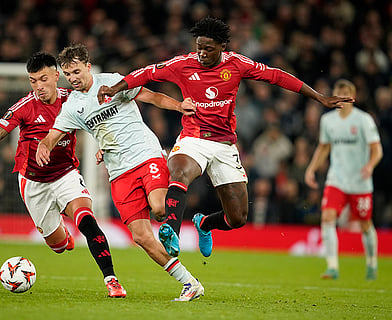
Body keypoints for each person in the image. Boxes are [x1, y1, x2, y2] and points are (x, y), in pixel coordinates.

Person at [97, 17, 354, 258]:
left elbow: (276, 76)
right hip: (193, 137)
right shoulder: (182, 64)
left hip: (224, 143)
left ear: (222, 46)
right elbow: (145, 73)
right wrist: (114, 88)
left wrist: (319, 97)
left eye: (208, 49)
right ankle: (171, 232)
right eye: (199, 48)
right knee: (180, 170)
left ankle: (204, 224)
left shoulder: (237, 64)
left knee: (238, 217)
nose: (202, 54)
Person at [36, 44, 204, 302]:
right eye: (68, 74)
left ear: (88, 66)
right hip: (118, 171)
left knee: (159, 207)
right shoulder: (72, 107)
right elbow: (53, 134)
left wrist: (179, 106)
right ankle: (190, 283)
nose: (73, 78)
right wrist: (43, 147)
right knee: (141, 237)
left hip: (146, 154)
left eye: (77, 71)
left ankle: (175, 228)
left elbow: (151, 97)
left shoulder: (113, 82)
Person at [0, 52, 126, 298]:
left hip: (66, 174)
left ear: (56, 76)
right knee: (59, 247)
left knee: (86, 219)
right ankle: (63, 235)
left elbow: (98, 123)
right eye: (33, 81)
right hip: (33, 183)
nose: (39, 86)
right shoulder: (25, 107)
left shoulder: (73, 99)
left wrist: (103, 146)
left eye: (43, 79)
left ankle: (112, 280)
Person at [305, 79, 383, 280]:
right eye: (339, 91)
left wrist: (369, 165)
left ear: (353, 95)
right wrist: (311, 169)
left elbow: (377, 150)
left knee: (365, 223)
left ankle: (372, 263)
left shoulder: (363, 120)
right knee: (327, 218)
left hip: (360, 182)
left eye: (346, 92)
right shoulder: (328, 121)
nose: (342, 95)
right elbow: (324, 148)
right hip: (336, 180)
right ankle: (332, 266)